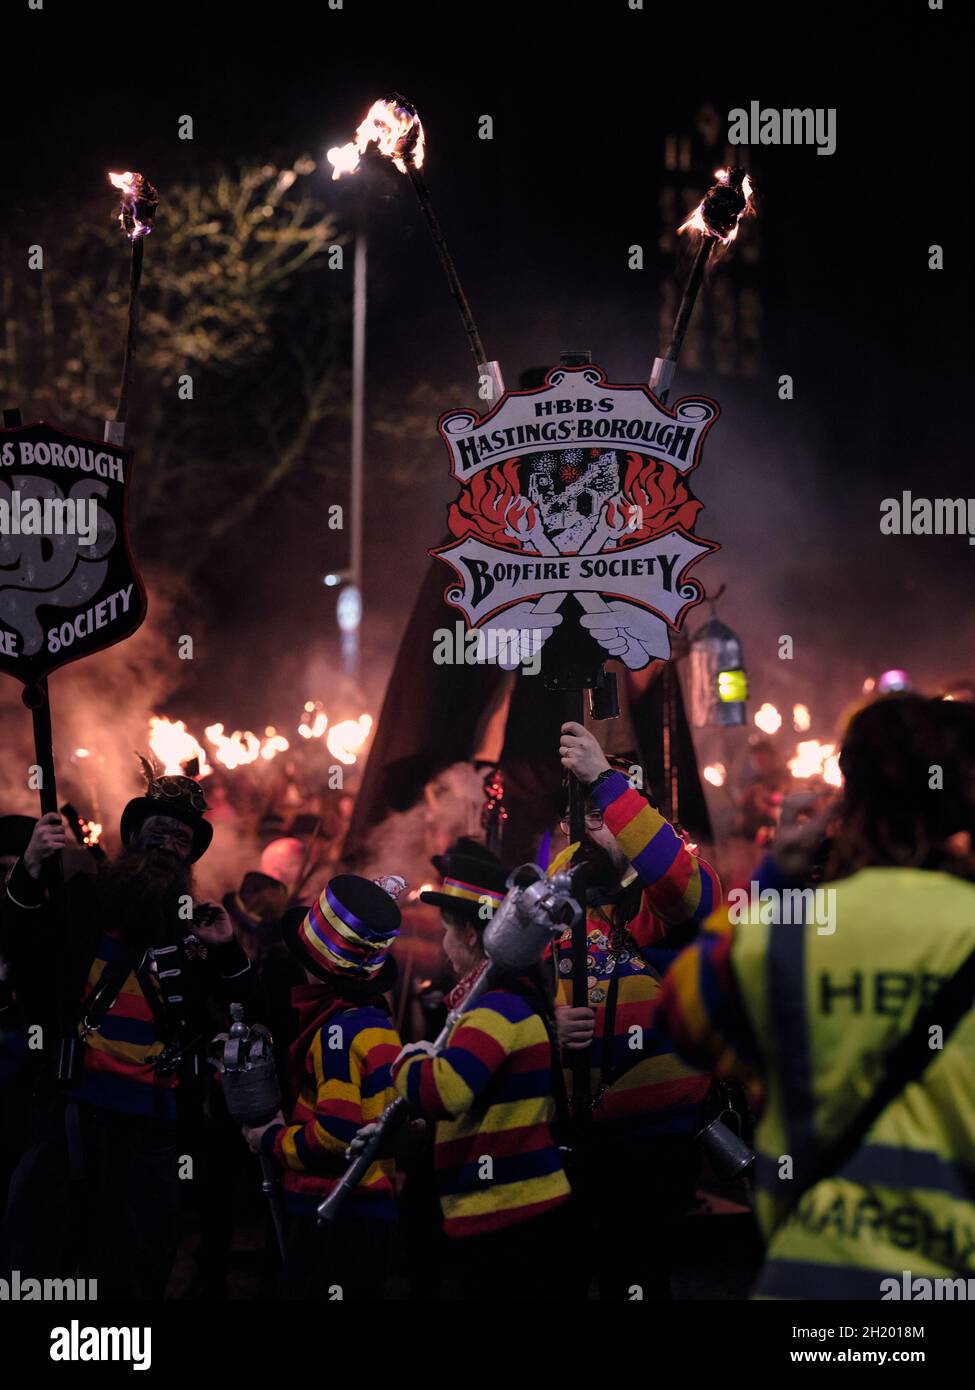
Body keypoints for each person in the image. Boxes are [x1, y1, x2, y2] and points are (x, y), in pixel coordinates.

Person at [658, 693, 975, 1299]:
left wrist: (773, 876)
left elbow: (683, 1017)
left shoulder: (788, 932)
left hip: (810, 1284)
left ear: (850, 801)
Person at [0, 764, 251, 1299]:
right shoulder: (83, 901)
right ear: (134, 838)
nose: (167, 846)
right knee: (40, 1261)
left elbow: (249, 1018)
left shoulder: (194, 930)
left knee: (131, 1268)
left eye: (181, 840)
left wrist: (228, 951)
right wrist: (30, 866)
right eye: (157, 833)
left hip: (152, 1131)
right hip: (71, 1113)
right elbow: (16, 942)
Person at [556, 719, 722, 1300]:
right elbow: (516, 989)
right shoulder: (564, 891)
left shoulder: (678, 883)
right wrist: (549, 1026)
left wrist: (603, 778)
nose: (586, 828)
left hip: (655, 1141)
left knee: (638, 1279)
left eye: (604, 815)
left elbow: (674, 881)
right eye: (580, 814)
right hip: (576, 1132)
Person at [389, 842, 572, 1299]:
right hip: (505, 1208)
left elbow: (445, 1091)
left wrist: (408, 1060)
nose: (443, 945)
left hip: (511, 1211)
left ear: (471, 935)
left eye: (446, 931)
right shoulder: (503, 1000)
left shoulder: (497, 1008)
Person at [241, 874, 403, 1301]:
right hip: (371, 1212)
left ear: (312, 968)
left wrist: (271, 1139)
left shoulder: (338, 1032)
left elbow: (334, 1136)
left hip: (336, 1211)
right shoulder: (377, 1022)